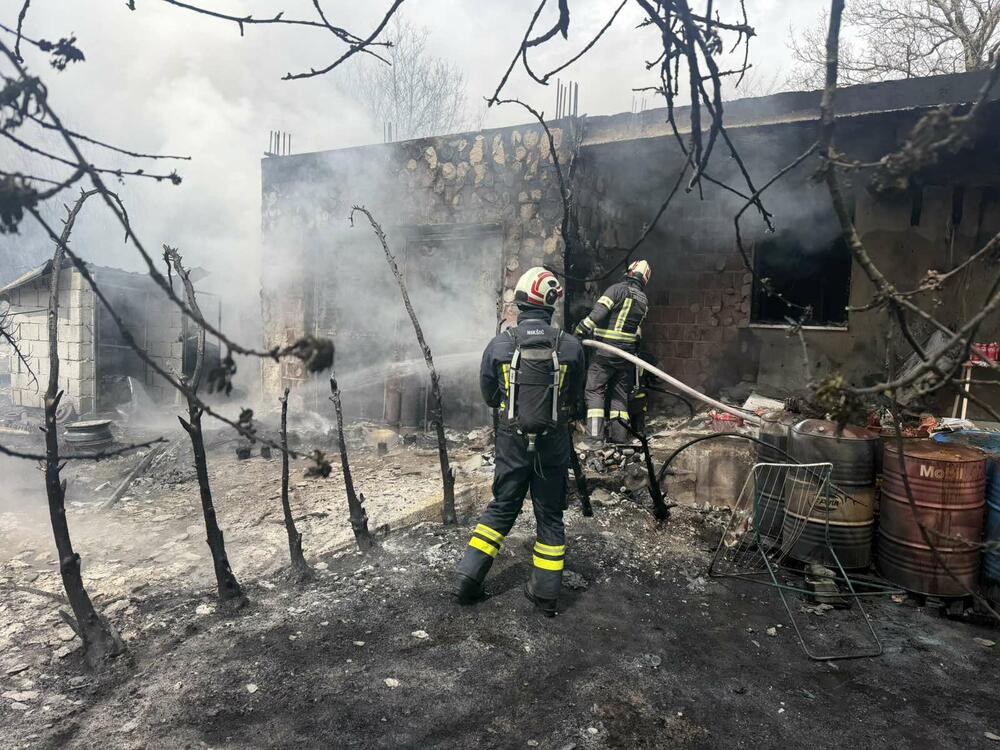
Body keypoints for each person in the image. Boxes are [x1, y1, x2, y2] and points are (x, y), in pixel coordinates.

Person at [453, 267, 586, 616]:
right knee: (550, 516)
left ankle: (467, 581)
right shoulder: (571, 346)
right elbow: (576, 397)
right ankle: (545, 596)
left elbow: (488, 395)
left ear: (521, 303)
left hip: (512, 441)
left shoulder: (500, 344)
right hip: (553, 444)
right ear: (551, 304)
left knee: (502, 507)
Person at [574, 259, 651, 445]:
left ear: (631, 272)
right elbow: (638, 332)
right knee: (619, 396)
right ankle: (619, 438)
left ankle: (594, 439)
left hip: (604, 354)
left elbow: (597, 314)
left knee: (594, 391)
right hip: (625, 356)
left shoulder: (616, 290)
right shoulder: (643, 301)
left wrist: (578, 332)